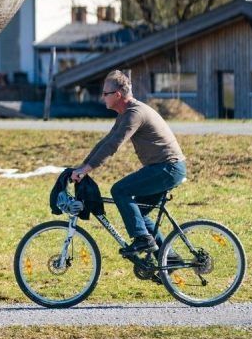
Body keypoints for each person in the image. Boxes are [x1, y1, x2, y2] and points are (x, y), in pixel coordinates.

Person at [71, 70, 186, 255]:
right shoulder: (125, 114)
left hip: (168, 168)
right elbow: (106, 141)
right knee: (138, 214)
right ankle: (169, 259)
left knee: (120, 190)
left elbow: (114, 145)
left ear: (117, 95)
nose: (102, 97)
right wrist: (82, 167)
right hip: (163, 168)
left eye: (105, 93)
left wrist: (86, 169)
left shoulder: (135, 113)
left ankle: (143, 240)